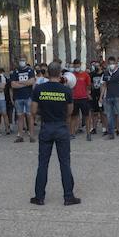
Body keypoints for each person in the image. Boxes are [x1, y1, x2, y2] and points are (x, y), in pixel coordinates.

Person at [30, 63, 80, 206]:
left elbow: (33, 111)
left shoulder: (39, 89)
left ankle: (39, 197)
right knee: (64, 163)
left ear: (47, 73)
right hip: (61, 127)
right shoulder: (66, 91)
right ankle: (68, 197)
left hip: (46, 127)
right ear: (60, 74)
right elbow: (70, 111)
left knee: (43, 164)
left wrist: (43, 113)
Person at [11, 57, 36, 142]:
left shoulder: (30, 70)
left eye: (23, 60)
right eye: (20, 60)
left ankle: (31, 136)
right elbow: (13, 85)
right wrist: (26, 83)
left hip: (28, 96)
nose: (22, 62)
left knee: (30, 116)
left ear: (26, 61)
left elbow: (32, 81)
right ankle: (20, 135)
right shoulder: (15, 71)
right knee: (20, 116)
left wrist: (20, 82)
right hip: (18, 97)